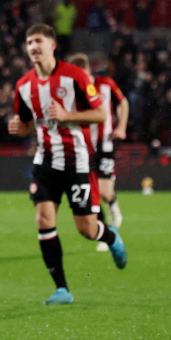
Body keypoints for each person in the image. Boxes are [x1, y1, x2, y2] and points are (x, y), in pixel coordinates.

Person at [8, 24, 127, 305]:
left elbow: (100, 114)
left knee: (87, 230)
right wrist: (19, 127)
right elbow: (26, 125)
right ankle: (62, 289)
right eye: (28, 42)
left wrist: (67, 114)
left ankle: (110, 237)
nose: (33, 46)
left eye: (38, 41)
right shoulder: (23, 85)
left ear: (52, 45)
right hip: (45, 161)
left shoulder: (74, 76)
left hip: (78, 161)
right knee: (44, 220)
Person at [67, 53, 129, 251]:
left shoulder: (106, 84)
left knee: (104, 191)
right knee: (92, 192)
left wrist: (122, 127)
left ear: (87, 71)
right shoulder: (72, 91)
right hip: (84, 146)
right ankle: (107, 233)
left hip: (105, 143)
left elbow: (123, 103)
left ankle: (114, 210)